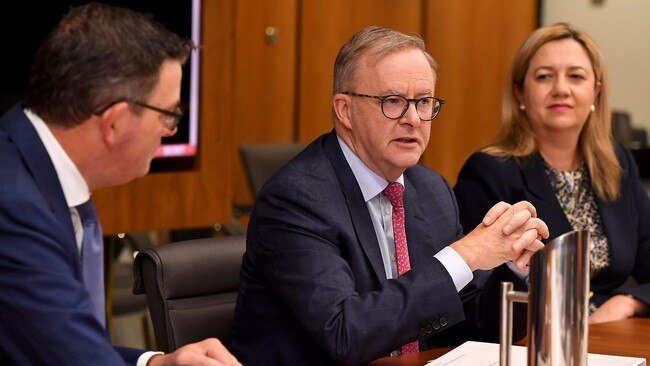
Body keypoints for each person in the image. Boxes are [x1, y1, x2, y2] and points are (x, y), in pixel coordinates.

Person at [229, 26, 549, 366]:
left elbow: (468, 324)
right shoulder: (295, 199)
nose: (413, 119)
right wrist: (464, 255)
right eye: (392, 101)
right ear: (345, 110)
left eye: (424, 102)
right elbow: (345, 334)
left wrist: (518, 267)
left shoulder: (431, 190)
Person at [0, 3, 240, 366]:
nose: (170, 131)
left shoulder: (43, 174)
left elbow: (62, 342)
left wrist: (155, 363)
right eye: (169, 114)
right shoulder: (15, 205)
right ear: (115, 122)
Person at [454, 22, 650, 327]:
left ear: (596, 91)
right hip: (531, 340)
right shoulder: (489, 172)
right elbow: (472, 306)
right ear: (520, 92)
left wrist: (630, 300)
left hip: (610, 341)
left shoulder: (617, 163)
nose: (561, 88)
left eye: (576, 76)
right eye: (544, 76)